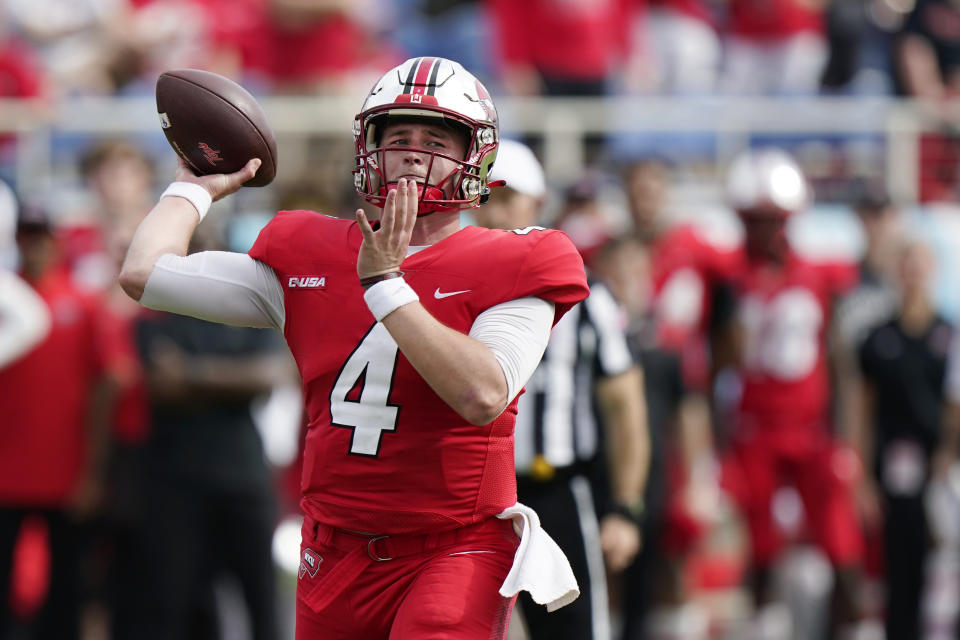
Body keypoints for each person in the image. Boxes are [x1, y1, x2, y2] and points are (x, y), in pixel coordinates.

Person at [119, 57, 588, 639]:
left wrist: (387, 286)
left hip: (455, 546)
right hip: (333, 548)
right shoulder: (309, 251)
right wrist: (194, 187)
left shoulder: (521, 258)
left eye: (435, 138)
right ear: (370, 149)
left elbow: (483, 392)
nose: (414, 152)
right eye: (398, 137)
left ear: (475, 156)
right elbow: (147, 273)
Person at [473, 139, 649, 640]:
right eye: (486, 200)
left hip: (555, 490)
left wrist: (625, 507)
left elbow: (625, 407)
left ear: (539, 202)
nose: (497, 215)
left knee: (571, 630)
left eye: (509, 199)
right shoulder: (449, 286)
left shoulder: (585, 295)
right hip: (473, 495)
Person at [715, 148, 866, 639]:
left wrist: (847, 438)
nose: (763, 230)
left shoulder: (819, 274)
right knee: (760, 542)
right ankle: (763, 626)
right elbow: (718, 362)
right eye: (754, 219)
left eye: (771, 219)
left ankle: (852, 628)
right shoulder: (730, 279)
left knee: (839, 540)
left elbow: (840, 362)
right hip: (756, 427)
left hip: (811, 429)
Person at [0, 206, 112, 640]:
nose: (37, 245)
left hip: (64, 474)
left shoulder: (82, 304)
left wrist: (93, 473)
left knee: (67, 587)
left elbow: (104, 388)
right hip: (7, 473)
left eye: (43, 235)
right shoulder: (8, 300)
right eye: (28, 236)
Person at [853, 236, 953, 640]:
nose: (913, 272)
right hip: (894, 469)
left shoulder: (949, 335)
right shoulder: (877, 338)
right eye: (906, 263)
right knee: (900, 573)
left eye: (921, 263)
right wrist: (861, 478)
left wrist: (948, 456)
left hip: (944, 472)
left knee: (944, 571)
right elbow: (862, 410)